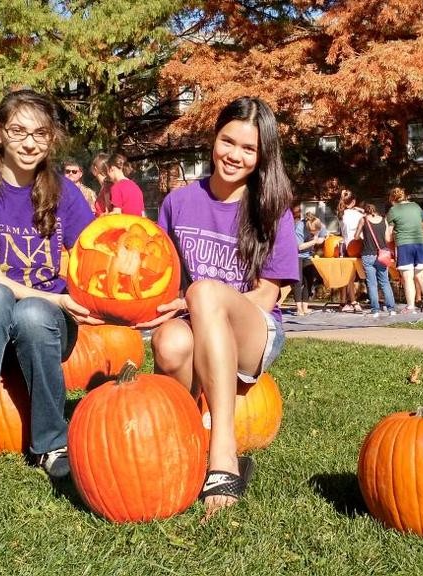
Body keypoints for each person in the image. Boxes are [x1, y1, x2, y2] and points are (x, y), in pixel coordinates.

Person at [0, 89, 100, 500]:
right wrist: (61, 299)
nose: (30, 143)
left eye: (41, 134)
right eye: (18, 131)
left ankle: (52, 444)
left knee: (30, 313)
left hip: (46, 328)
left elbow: (99, 256)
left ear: (51, 139)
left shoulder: (64, 193)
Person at [141, 96, 297, 518]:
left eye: (249, 149)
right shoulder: (179, 202)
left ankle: (223, 452)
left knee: (206, 292)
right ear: (213, 140)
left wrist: (203, 304)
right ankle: (178, 439)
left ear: (263, 155)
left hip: (254, 331)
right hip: (195, 322)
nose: (235, 155)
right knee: (171, 342)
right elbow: (163, 273)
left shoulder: (272, 208)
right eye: (228, 142)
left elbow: (268, 294)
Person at [386, 187, 423, 313]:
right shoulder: (416, 206)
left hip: (404, 245)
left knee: (408, 277)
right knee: (421, 275)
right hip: (420, 244)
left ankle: (411, 306)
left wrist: (393, 236)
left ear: (392, 199)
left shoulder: (393, 210)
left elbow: (388, 236)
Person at [354, 202, 396, 317]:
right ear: (375, 210)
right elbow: (388, 238)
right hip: (382, 255)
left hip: (368, 254)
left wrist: (364, 236)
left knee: (372, 284)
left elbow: (356, 237)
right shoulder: (384, 220)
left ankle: (375, 310)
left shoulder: (363, 220)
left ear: (366, 211)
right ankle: (391, 309)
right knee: (385, 282)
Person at [336, 189, 365, 311]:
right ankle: (353, 301)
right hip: (356, 245)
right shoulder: (359, 215)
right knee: (351, 277)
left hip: (344, 246)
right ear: (353, 202)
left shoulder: (340, 214)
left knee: (346, 275)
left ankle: (343, 301)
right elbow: (369, 215)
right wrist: (360, 209)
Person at [92, 152, 145, 217]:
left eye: (107, 171)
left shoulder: (116, 187)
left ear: (112, 169)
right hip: (137, 225)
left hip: (125, 225)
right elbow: (143, 214)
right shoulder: (136, 186)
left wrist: (104, 216)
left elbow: (117, 213)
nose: (107, 175)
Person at [293, 205, 321, 316]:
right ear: (308, 228)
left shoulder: (317, 223)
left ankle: (305, 307)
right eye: (313, 232)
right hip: (297, 256)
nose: (315, 233)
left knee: (309, 281)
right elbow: (299, 247)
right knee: (298, 282)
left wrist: (320, 237)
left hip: (309, 256)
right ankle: (299, 308)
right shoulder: (299, 227)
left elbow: (322, 235)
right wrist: (314, 241)